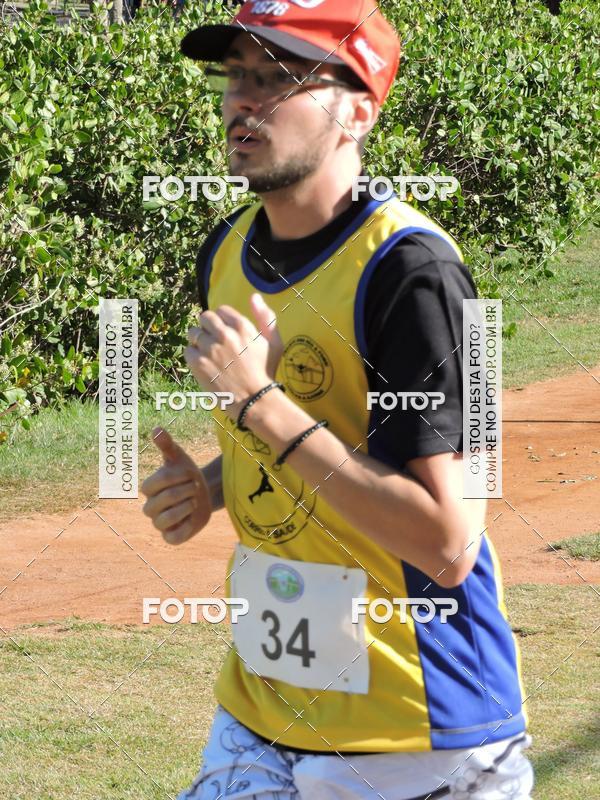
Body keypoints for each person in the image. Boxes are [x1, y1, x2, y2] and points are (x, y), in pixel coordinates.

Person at [141, 1, 535, 797]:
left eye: (280, 77)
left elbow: (449, 544)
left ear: (359, 110)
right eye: (237, 76)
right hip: (263, 710)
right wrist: (212, 486)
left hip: (415, 734)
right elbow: (330, 441)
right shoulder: (226, 249)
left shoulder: (414, 275)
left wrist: (260, 405)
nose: (245, 100)